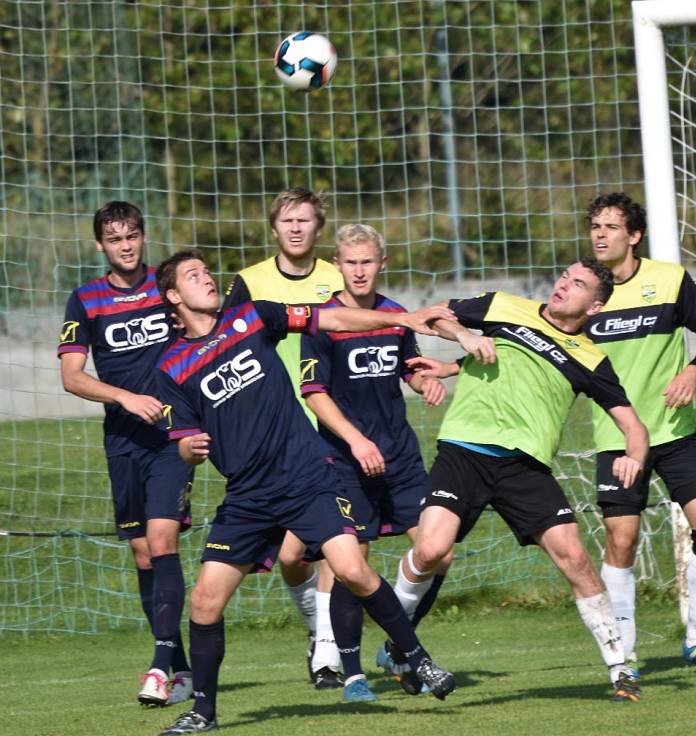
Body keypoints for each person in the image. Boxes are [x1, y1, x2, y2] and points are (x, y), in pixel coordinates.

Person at [153, 250, 457, 735]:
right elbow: (185, 445)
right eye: (194, 276)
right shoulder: (171, 367)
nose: (207, 279)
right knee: (205, 602)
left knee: (353, 569)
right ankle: (203, 713)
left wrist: (404, 317)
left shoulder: (251, 316)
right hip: (248, 496)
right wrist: (189, 448)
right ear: (173, 296)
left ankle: (416, 658)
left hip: (306, 477)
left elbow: (331, 316)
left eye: (207, 272)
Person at [393, 256, 649, 702]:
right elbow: (430, 316)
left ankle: (620, 669)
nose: (564, 285)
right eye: (565, 277)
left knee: (576, 559)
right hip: (464, 451)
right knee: (431, 549)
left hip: (525, 469)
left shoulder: (592, 359)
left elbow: (634, 426)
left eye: (579, 284)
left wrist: (633, 457)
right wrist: (465, 336)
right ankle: (398, 640)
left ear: (595, 307)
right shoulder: (503, 306)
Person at [299, 224, 451, 702]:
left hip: (400, 457)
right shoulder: (324, 320)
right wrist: (355, 440)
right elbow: (314, 393)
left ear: (381, 263)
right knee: (351, 563)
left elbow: (408, 367)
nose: (359, 270)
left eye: (367, 261)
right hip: (346, 460)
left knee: (438, 551)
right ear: (338, 265)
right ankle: (351, 675)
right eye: (350, 262)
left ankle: (397, 643)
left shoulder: (395, 315)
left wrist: (425, 382)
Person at [584, 192, 696, 675]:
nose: (600, 235)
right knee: (622, 540)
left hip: (674, 432)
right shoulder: (586, 290)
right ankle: (624, 652)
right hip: (619, 439)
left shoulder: (668, 280)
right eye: (594, 227)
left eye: (610, 227)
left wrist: (693, 371)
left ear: (634, 235)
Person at [58, 202, 194, 706]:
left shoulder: (166, 288)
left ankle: (158, 668)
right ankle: (179, 666)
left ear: (143, 236)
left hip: (171, 438)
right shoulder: (85, 299)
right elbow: (72, 377)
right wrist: (124, 398)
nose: (126, 245)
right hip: (122, 441)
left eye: (132, 235)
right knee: (142, 551)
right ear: (100, 245)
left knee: (162, 541)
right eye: (115, 239)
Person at [223, 187, 345, 687]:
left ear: (319, 227)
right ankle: (317, 629)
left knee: (336, 546)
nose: (296, 228)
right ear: (274, 228)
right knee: (291, 556)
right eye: (287, 221)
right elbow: (221, 348)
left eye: (306, 220)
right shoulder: (249, 283)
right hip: (271, 438)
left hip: (330, 427)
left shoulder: (339, 278)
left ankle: (329, 653)